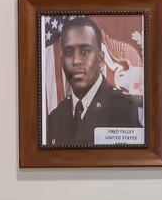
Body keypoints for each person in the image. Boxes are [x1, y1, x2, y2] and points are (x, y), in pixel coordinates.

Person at [44, 16, 142, 147]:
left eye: (84, 51)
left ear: (100, 59)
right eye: (68, 53)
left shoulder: (125, 110)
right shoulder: (55, 118)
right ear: (61, 62)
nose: (76, 61)